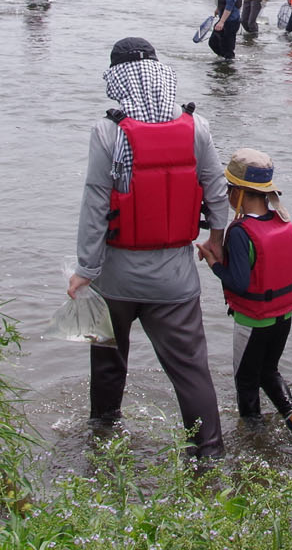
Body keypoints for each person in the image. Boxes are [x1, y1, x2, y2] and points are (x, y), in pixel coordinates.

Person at [68, 39, 229, 459]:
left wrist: (85, 268)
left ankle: (102, 438)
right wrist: (216, 237)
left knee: (107, 364)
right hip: (174, 281)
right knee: (191, 372)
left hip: (114, 279)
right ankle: (209, 454)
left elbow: (95, 204)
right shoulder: (197, 127)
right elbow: (216, 189)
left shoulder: (107, 131)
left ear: (117, 78)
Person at [205, 149, 292, 432]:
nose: (226, 195)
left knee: (246, 380)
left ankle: (254, 435)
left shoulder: (240, 232)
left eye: (229, 189)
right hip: (283, 318)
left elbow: (237, 283)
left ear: (239, 193)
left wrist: (214, 264)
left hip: (252, 321)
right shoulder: (284, 222)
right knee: (268, 370)